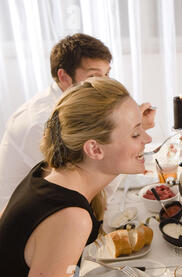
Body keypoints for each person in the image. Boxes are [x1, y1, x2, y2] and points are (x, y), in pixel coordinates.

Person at [0, 77, 182, 277]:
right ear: (94, 149)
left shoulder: (50, 171)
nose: (147, 138)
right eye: (135, 133)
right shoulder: (71, 218)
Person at [0, 33, 156, 210]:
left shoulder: (74, 105)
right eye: (94, 77)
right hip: (30, 215)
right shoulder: (43, 123)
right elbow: (88, 190)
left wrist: (132, 128)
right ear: (64, 77)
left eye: (107, 74)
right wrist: (130, 132)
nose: (104, 84)